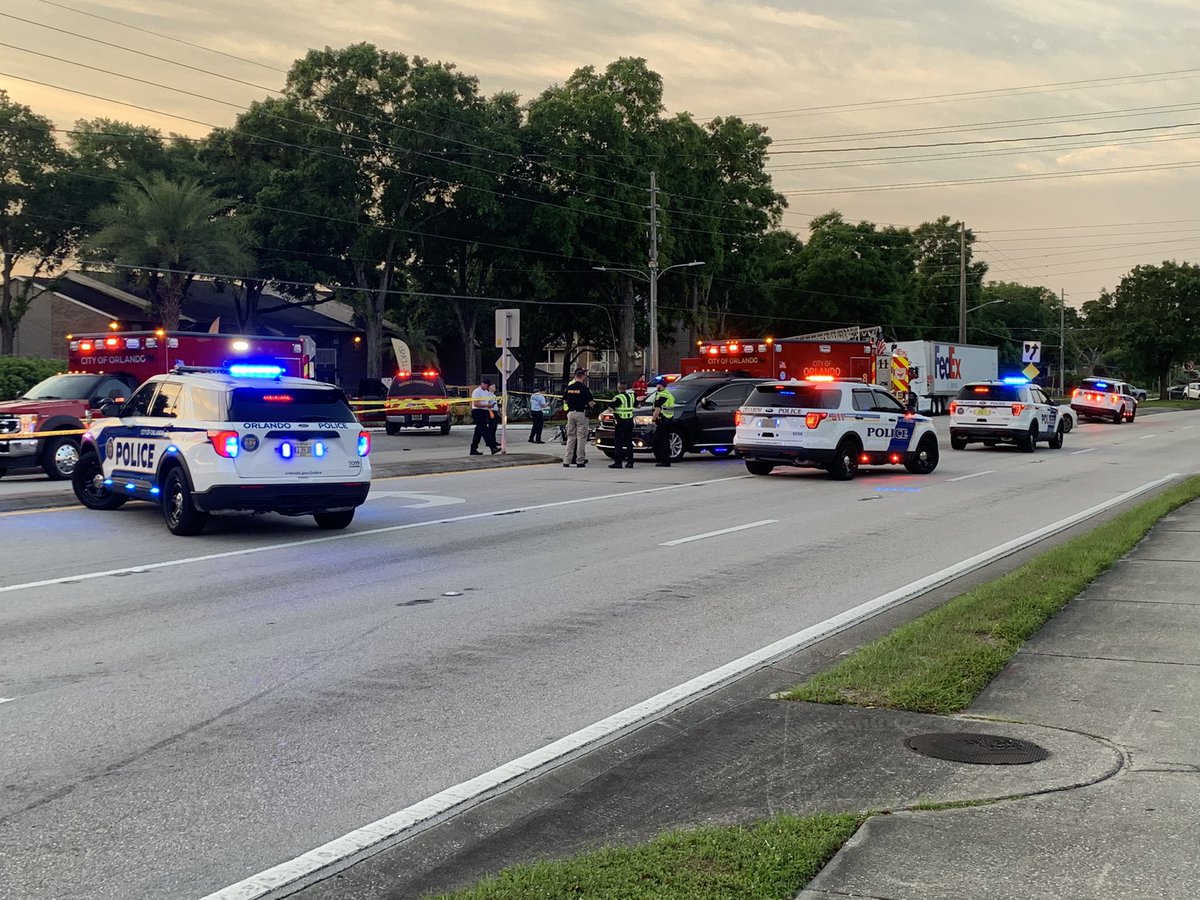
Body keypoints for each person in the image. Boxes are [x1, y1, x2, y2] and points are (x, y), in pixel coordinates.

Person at [561, 367, 594, 467]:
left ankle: (567, 460)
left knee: (571, 437)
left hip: (570, 414)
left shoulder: (569, 388)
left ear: (575, 376)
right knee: (581, 437)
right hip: (581, 414)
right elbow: (591, 403)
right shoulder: (584, 389)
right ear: (583, 377)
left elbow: (565, 400)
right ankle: (580, 460)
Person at [608, 380, 636, 469]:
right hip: (630, 421)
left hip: (621, 421)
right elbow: (638, 406)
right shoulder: (631, 397)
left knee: (619, 442)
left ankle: (618, 462)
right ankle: (630, 462)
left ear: (618, 387)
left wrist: (614, 412)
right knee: (629, 442)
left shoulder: (618, 398)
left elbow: (610, 408)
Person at [469, 377, 500, 455]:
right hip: (477, 412)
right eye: (486, 385)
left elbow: (488, 403)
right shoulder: (476, 392)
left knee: (478, 432)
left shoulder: (486, 392)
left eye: (488, 386)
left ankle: (473, 449)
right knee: (485, 430)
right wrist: (487, 405)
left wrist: (490, 409)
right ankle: (492, 447)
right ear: (482, 384)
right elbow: (476, 404)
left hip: (484, 412)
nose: (486, 387)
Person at [651, 379, 676, 467]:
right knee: (665, 441)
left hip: (663, 420)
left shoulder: (661, 395)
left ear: (661, 386)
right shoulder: (669, 394)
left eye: (657, 385)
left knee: (662, 441)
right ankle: (666, 460)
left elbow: (657, 409)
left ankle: (664, 461)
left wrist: (653, 420)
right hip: (669, 419)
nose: (656, 387)